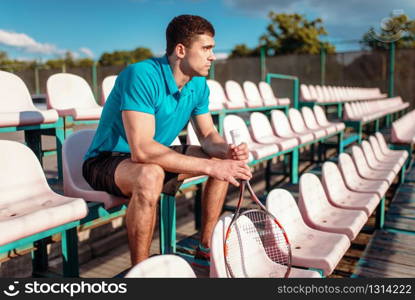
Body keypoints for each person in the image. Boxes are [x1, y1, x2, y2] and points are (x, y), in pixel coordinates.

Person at [82, 14, 251, 266]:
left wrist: (228, 150)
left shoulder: (199, 85)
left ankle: (205, 248)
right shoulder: (140, 75)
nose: (213, 56)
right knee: (150, 174)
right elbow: (141, 150)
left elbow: (207, 136)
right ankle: (141, 271)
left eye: (212, 49)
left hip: (154, 157)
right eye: (206, 48)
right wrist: (210, 166)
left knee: (219, 158)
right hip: (107, 160)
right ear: (181, 50)